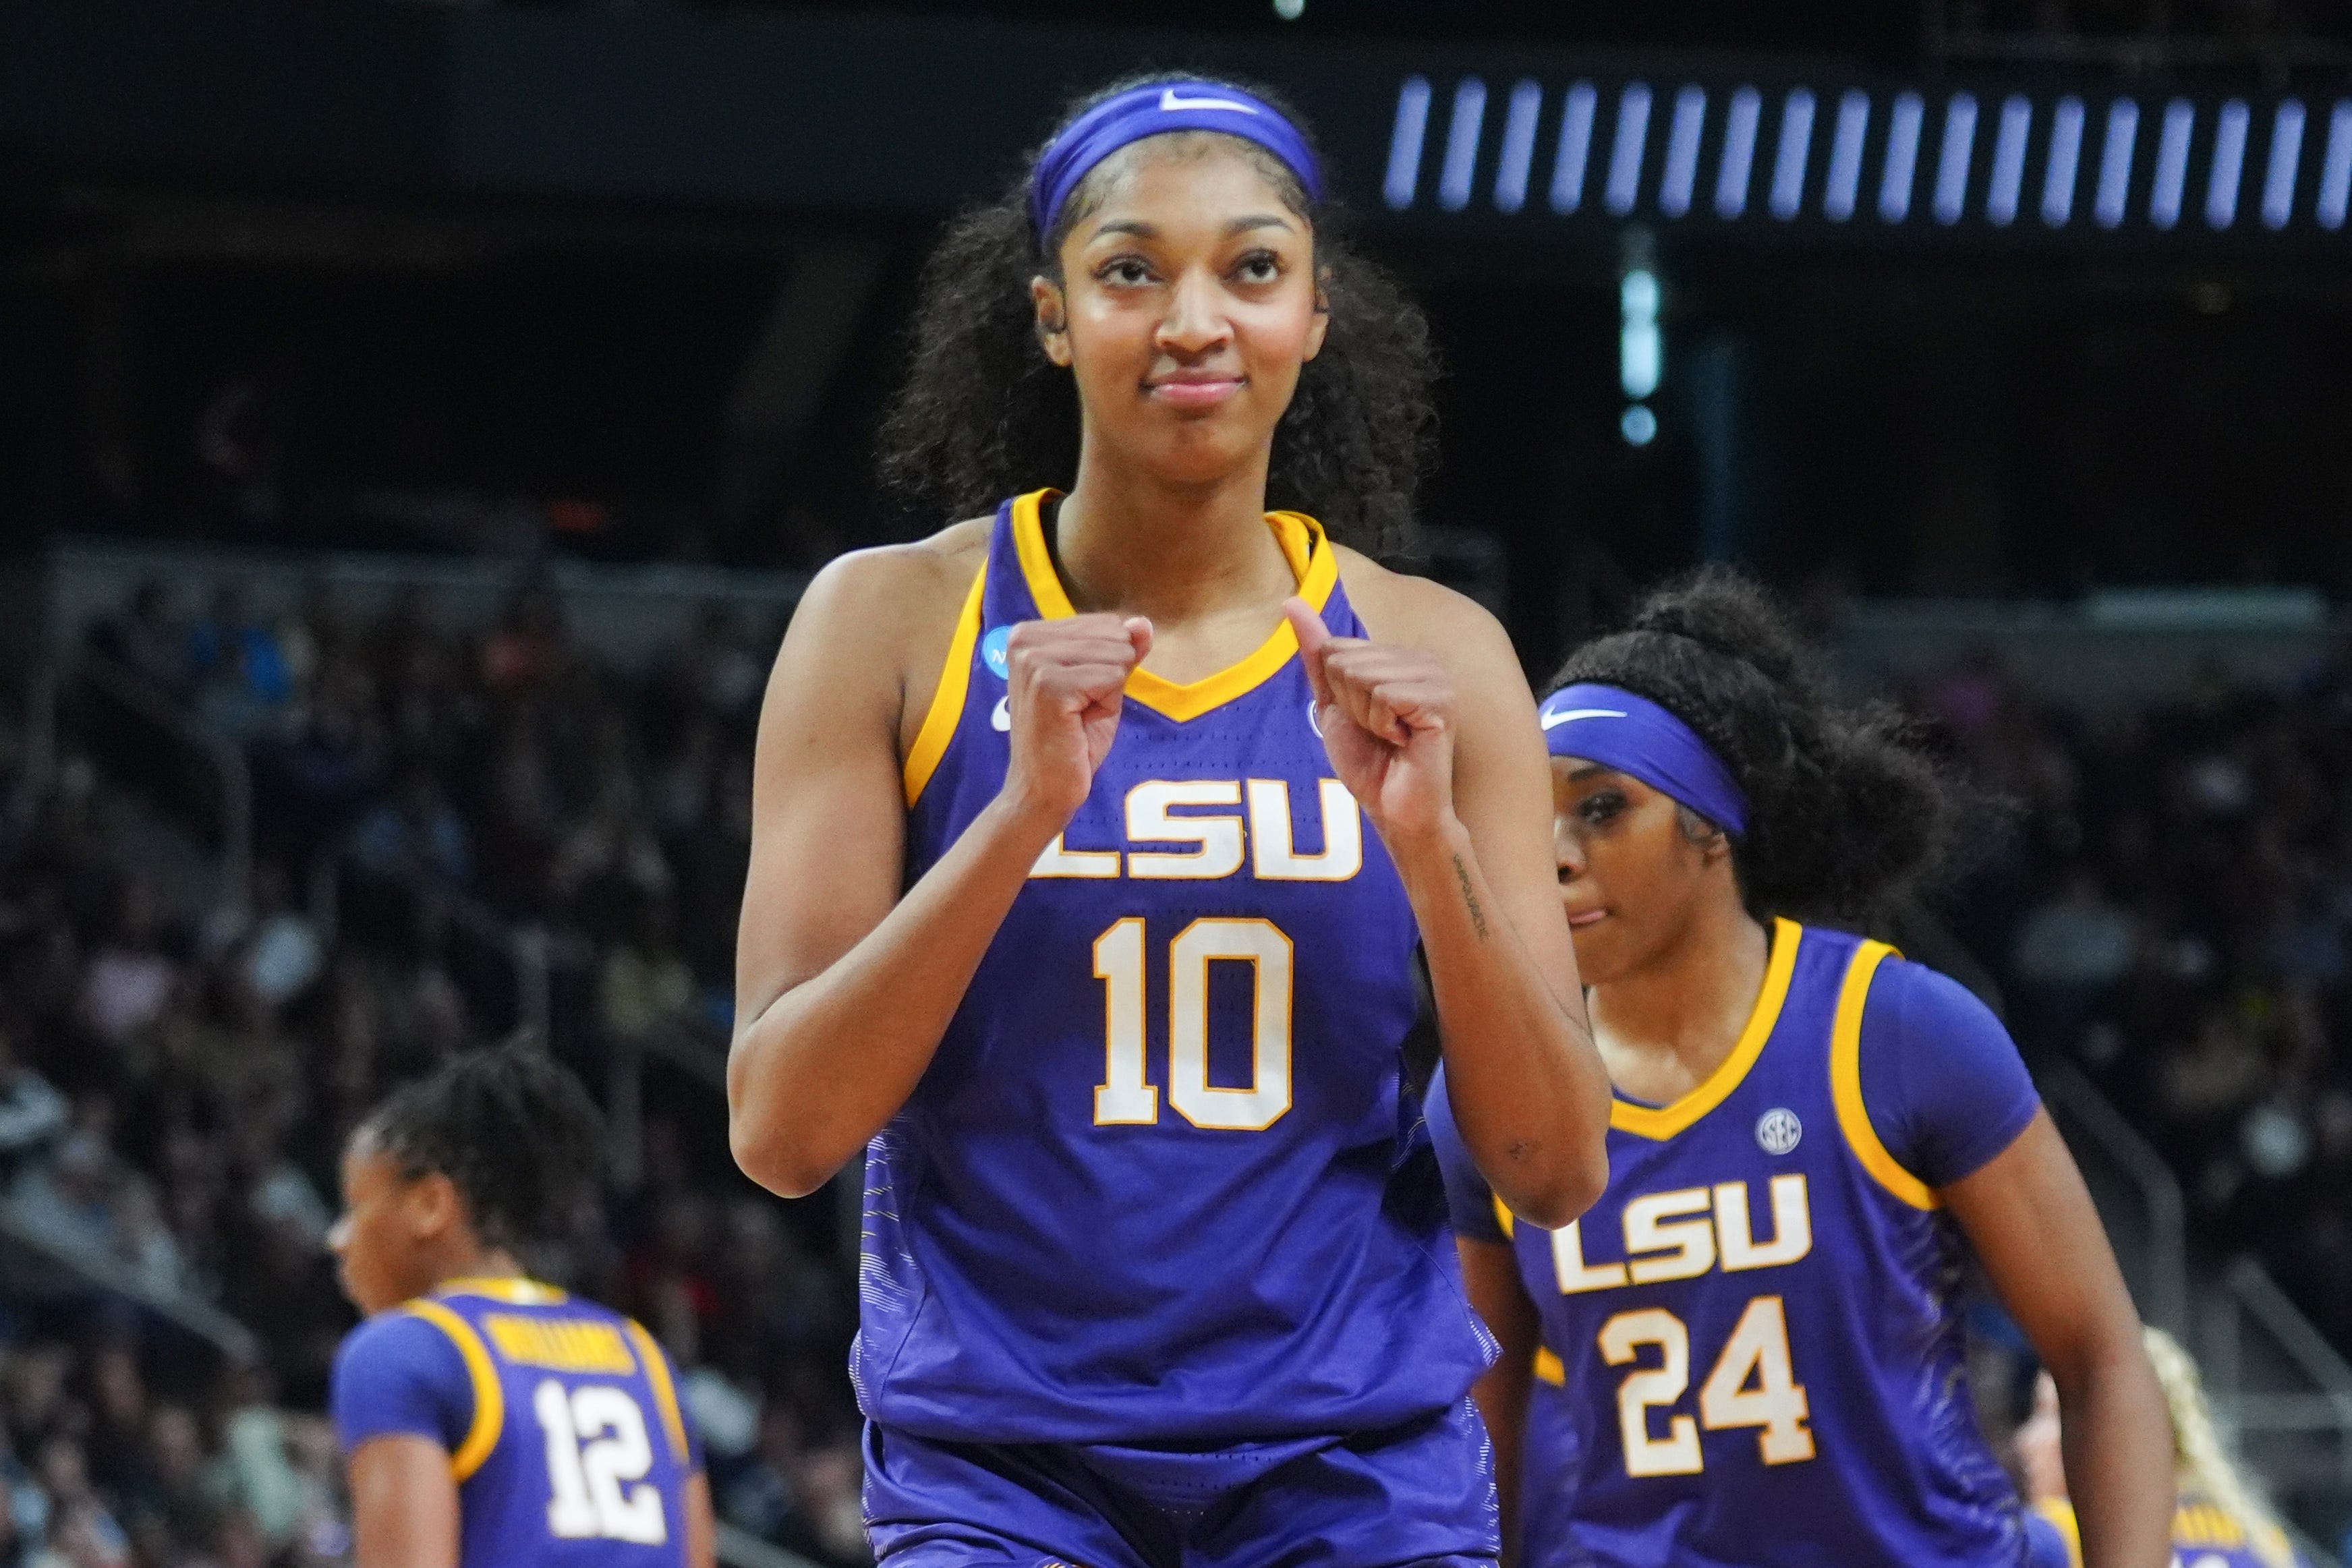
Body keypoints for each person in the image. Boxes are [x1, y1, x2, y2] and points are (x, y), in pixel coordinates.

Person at [727, 71, 1613, 1565]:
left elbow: (1556, 1168)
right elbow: (782, 1130)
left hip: (1354, 1464)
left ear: (1315, 314)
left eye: (1252, 269)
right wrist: (1020, 817)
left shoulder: (1440, 654)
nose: (1194, 320)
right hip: (1004, 1471)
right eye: (1131, 270)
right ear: (1052, 315)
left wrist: (1430, 847)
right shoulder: (890, 623)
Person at [1426, 570, 2173, 1568]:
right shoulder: (1491, 1086)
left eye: (1602, 808)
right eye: (1534, 815)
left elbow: (2099, 1357)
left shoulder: (1895, 1029)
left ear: (1710, 827)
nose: (1553, 854)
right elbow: (1479, 1440)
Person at [328, 1047, 716, 1568]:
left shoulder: (401, 1349)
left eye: (356, 1206)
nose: (339, 1238)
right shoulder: (641, 1354)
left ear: (430, 1205)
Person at [2017, 1327, 2310, 1568]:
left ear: (2114, 1430)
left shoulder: (2055, 1536)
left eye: (2052, 1415)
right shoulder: (2270, 1545)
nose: (2026, 1441)